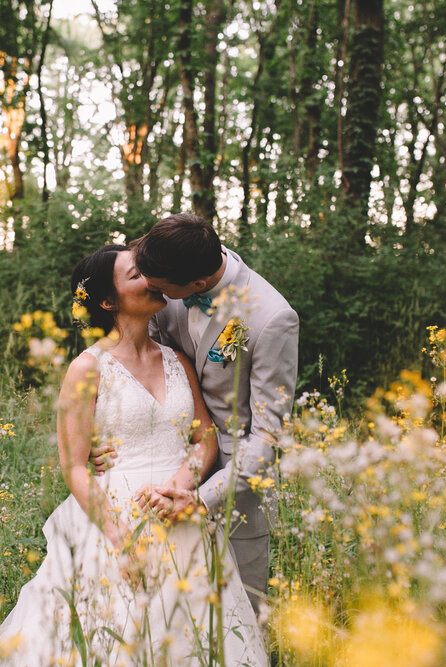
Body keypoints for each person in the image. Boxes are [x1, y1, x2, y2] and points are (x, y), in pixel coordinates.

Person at [0, 245, 266, 666]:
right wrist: (122, 543)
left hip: (180, 514)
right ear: (108, 301)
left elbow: (204, 439)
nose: (150, 279)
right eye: (136, 275)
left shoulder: (178, 361)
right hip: (114, 522)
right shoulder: (86, 369)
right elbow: (75, 465)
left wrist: (179, 488)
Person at [91, 214, 299, 613]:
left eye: (159, 288)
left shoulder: (271, 319)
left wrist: (201, 499)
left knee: (241, 626)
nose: (151, 291)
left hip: (235, 495)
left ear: (197, 286)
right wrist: (96, 436)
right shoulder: (167, 274)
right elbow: (134, 361)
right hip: (159, 478)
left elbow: (268, 436)